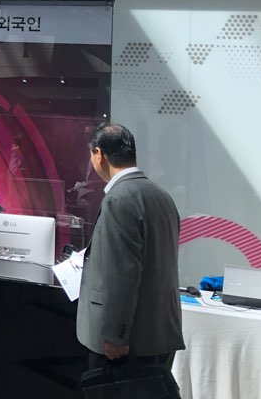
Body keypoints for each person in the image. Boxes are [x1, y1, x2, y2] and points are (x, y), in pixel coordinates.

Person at [76, 123, 184, 372]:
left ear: (99, 154)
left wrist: (116, 334)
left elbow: (122, 273)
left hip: (128, 343)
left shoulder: (118, 199)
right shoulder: (162, 196)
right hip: (159, 333)